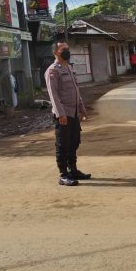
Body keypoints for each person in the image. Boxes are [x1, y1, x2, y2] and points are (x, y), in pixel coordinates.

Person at [45, 42, 92, 187]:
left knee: (74, 142)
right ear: (55, 52)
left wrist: (82, 109)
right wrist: (61, 114)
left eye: (67, 49)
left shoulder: (69, 68)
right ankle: (63, 175)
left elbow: (76, 91)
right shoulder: (53, 71)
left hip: (74, 113)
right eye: (63, 49)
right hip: (63, 115)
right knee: (63, 144)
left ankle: (73, 170)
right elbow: (54, 95)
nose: (67, 51)